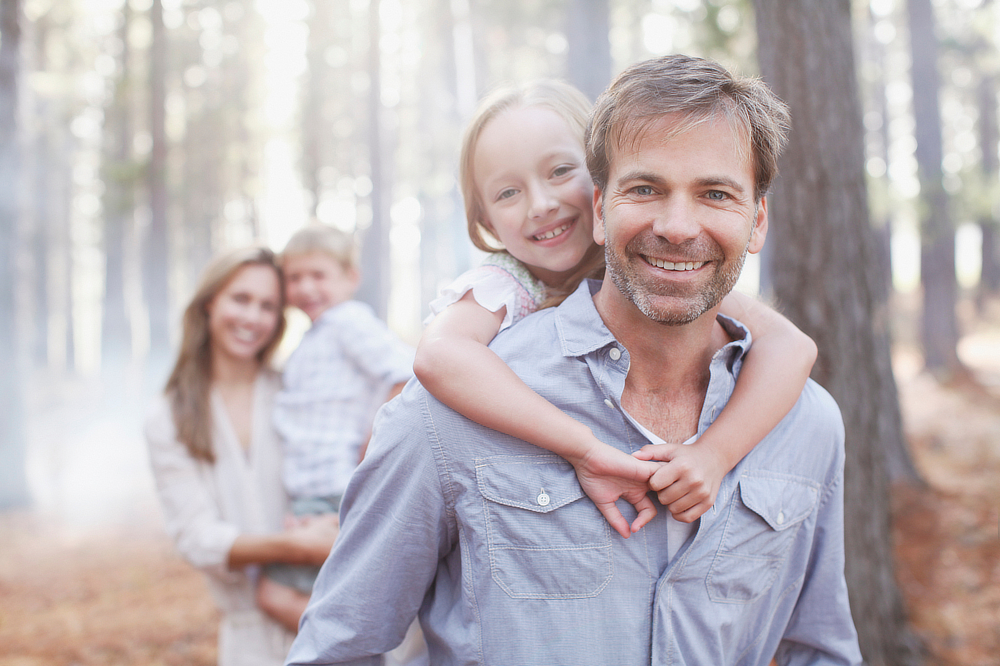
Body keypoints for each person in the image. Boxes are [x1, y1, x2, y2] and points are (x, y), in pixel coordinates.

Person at [287, 54, 863, 665]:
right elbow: (337, 650)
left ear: (757, 220)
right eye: (644, 188)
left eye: (715, 193)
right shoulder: (446, 411)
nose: (676, 226)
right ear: (599, 206)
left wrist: (718, 453)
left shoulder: (802, 422)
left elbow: (820, 650)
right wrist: (582, 448)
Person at [414, 79, 817, 538]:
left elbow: (792, 346)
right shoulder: (502, 284)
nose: (541, 204)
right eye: (508, 193)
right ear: (485, 220)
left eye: (560, 171)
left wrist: (716, 454)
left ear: (601, 177)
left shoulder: (661, 269)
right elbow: (438, 355)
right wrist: (582, 448)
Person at [145, 246, 339, 666]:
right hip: (248, 639)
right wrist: (296, 547)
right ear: (210, 302)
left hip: (330, 614)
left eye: (268, 306)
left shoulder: (297, 392)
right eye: (241, 299)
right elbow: (197, 539)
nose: (252, 318)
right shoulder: (170, 417)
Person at [259, 225, 414, 623]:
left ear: (350, 278)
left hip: (338, 486)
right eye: (295, 278)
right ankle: (363, 640)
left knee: (277, 595)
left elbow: (406, 373)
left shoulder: (349, 322)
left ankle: (368, 643)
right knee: (320, 593)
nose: (306, 287)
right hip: (312, 493)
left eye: (318, 275)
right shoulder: (313, 339)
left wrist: (372, 445)